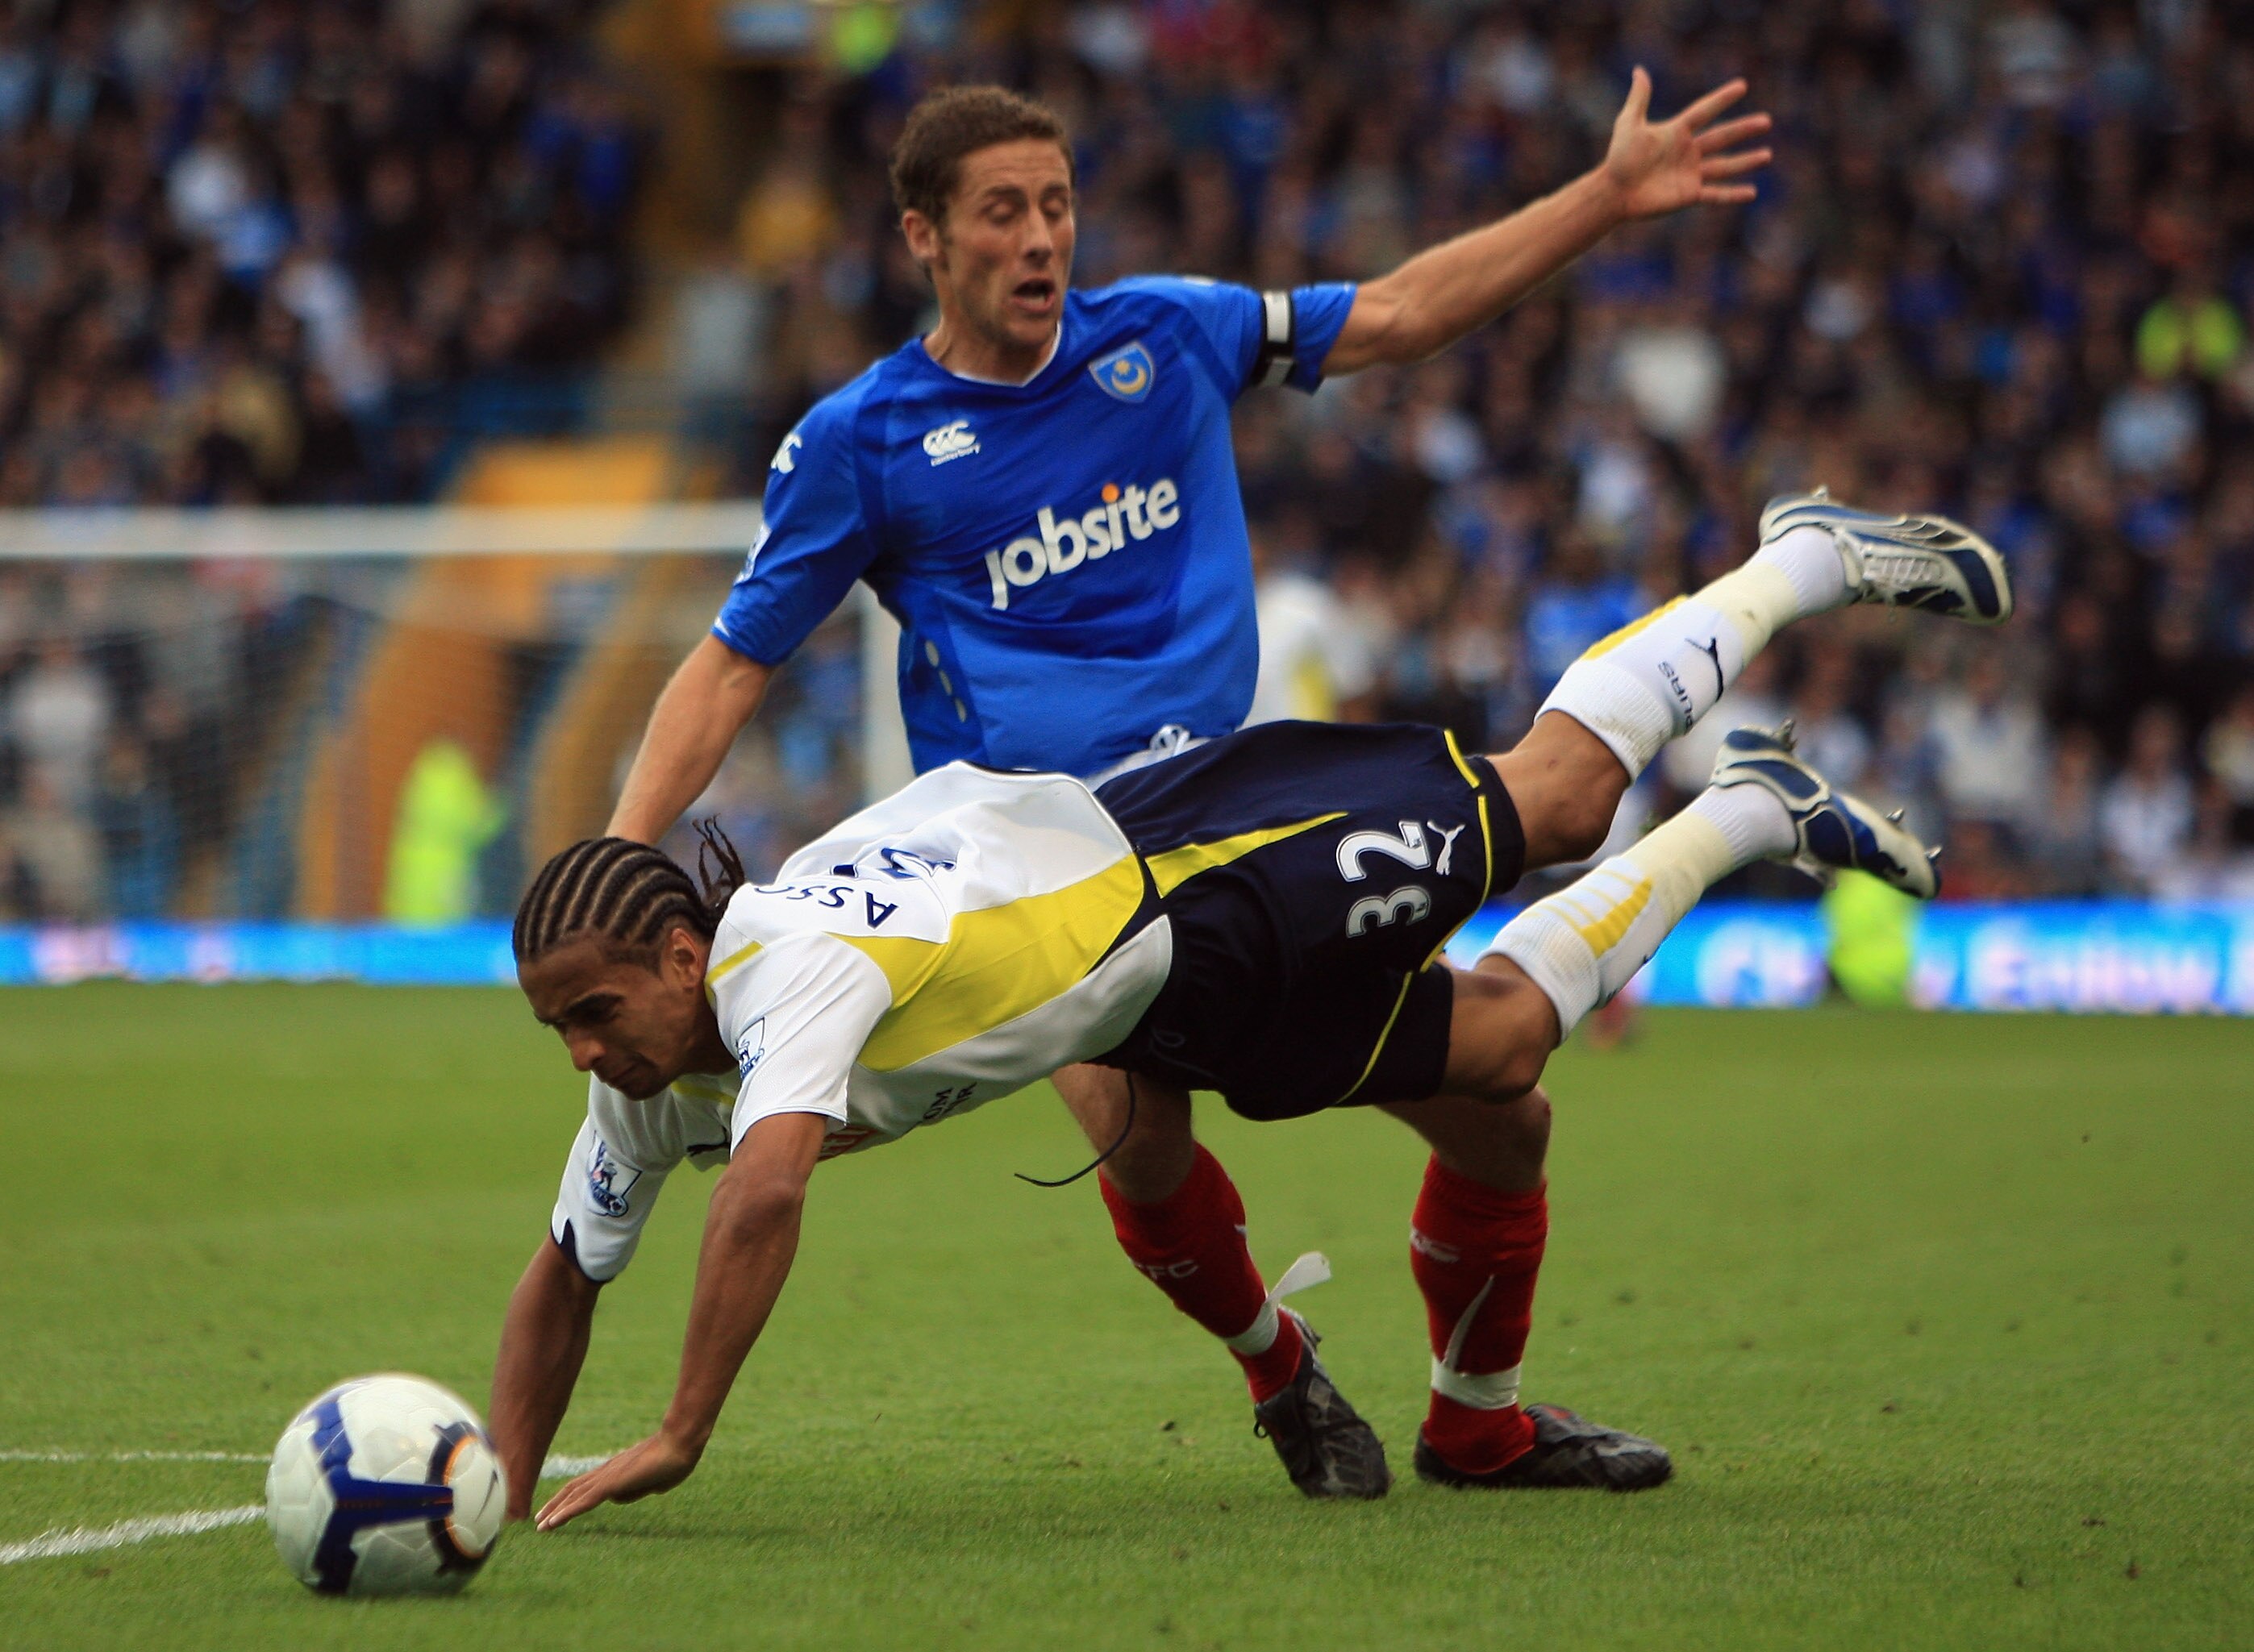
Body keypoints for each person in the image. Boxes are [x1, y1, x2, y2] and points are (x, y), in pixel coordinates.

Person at [598, 73, 1776, 1488]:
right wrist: (614, 859)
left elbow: (1395, 316)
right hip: (1054, 872)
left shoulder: (1166, 333)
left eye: (1056, 205)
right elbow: (732, 664)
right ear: (924, 236)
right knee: (1139, 1132)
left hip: (1255, 817)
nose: (1040, 240)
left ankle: (1479, 1417)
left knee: (1506, 1109)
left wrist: (1603, 195)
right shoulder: (867, 439)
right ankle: (1283, 1373)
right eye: (1000, 214)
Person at [494, 503, 2009, 1523]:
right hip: (1152, 989)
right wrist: (495, 1475)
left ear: (688, 959)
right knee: (1501, 1055)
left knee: (1556, 799)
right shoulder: (644, 1073)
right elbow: (568, 1268)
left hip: (1197, 866)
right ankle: (1748, 813)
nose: (581, 1050)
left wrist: (685, 1428)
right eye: (559, 1022)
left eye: (594, 1009)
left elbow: (762, 1194)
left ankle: (1797, 561)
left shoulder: (791, 978)